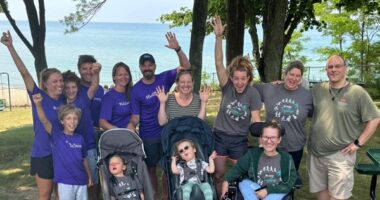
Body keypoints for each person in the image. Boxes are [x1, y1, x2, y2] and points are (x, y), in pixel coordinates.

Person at [127, 32, 191, 199]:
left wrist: (177, 48)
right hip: (148, 136)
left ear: (155, 66)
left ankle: (168, 195)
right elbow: (135, 117)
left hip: (167, 133)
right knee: (151, 169)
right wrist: (131, 127)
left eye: (150, 65)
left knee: (170, 167)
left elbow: (186, 66)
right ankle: (155, 195)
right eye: (144, 65)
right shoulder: (136, 90)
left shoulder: (164, 78)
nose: (147, 68)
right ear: (140, 67)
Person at [1, 30, 64, 199]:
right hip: (43, 152)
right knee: (45, 195)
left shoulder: (65, 100)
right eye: (55, 81)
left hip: (62, 152)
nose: (59, 84)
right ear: (45, 84)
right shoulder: (38, 96)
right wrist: (10, 47)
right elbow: (24, 73)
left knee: (61, 194)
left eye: (61, 80)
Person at [308, 55, 380, 200]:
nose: (333, 70)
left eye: (337, 66)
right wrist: (279, 83)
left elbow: (375, 118)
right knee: (322, 192)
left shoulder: (357, 92)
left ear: (345, 68)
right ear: (326, 70)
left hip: (340, 155)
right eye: (330, 67)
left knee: (338, 196)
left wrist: (358, 143)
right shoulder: (317, 89)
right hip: (316, 153)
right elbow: (296, 89)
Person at [211, 16, 262, 195]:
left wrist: (264, 136)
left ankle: (238, 196)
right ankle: (219, 196)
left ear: (249, 78)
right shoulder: (227, 87)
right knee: (219, 173)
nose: (240, 82)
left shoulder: (253, 94)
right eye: (236, 78)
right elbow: (218, 63)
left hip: (239, 139)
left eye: (243, 78)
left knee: (242, 174)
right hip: (220, 136)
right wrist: (218, 38)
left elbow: (255, 119)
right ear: (232, 78)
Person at [254, 61, 313, 171]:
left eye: (297, 76)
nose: (294, 78)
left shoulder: (307, 96)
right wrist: (248, 66)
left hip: (294, 147)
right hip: (270, 143)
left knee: (289, 181)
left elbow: (315, 114)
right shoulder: (269, 88)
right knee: (268, 176)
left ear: (301, 78)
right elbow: (248, 86)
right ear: (285, 74)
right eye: (291, 74)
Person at [33, 94, 93, 200]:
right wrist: (38, 105)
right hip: (65, 183)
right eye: (68, 118)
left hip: (82, 181)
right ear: (62, 121)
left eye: (75, 119)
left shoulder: (80, 138)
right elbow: (44, 120)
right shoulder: (57, 135)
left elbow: (84, 159)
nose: (72, 122)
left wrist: (89, 176)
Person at [221, 120, 297, 200]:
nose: (268, 141)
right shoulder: (252, 154)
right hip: (255, 186)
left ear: (279, 139)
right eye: (265, 137)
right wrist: (226, 181)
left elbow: (289, 183)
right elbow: (238, 169)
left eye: (273, 137)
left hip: (276, 189)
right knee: (244, 183)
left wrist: (268, 191)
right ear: (261, 138)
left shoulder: (287, 159)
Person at [62, 68, 101, 198]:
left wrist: (96, 72)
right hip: (71, 149)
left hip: (88, 147)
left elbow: (94, 85)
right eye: (67, 88)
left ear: (78, 87)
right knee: (76, 181)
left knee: (93, 180)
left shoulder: (84, 99)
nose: (70, 90)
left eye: (73, 87)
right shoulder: (62, 104)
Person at [77, 55, 103, 199]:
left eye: (90, 68)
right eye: (84, 68)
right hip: (81, 137)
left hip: (97, 137)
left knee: (96, 174)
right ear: (79, 70)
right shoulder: (75, 87)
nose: (88, 71)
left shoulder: (100, 89)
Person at [99, 62, 133, 130]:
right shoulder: (109, 97)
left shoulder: (132, 93)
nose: (123, 77)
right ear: (114, 77)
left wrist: (132, 124)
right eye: (120, 75)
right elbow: (102, 122)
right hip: (116, 136)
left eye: (126, 74)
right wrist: (118, 130)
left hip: (131, 135)